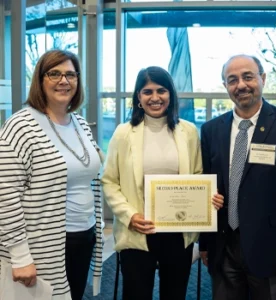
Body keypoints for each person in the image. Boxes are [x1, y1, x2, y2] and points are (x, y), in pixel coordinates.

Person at [101, 66, 224, 300]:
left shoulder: (187, 131)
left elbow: (198, 175)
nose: (155, 98)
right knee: (136, 294)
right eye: (147, 92)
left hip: (178, 230)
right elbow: (109, 180)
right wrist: (129, 215)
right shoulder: (123, 133)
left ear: (171, 95)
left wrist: (208, 199)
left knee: (175, 294)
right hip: (138, 229)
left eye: (161, 90)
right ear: (138, 97)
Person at [0, 49, 104, 300]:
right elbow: (5, 192)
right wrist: (20, 255)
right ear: (40, 79)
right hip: (43, 244)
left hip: (83, 236)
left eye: (70, 74)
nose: (63, 81)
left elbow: (88, 172)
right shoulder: (21, 125)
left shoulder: (79, 123)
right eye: (54, 73)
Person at [199, 54, 276, 300]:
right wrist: (205, 243)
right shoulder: (211, 130)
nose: (241, 85)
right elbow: (207, 187)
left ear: (262, 78)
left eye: (248, 76)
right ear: (225, 86)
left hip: (272, 249)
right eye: (232, 80)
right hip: (223, 247)